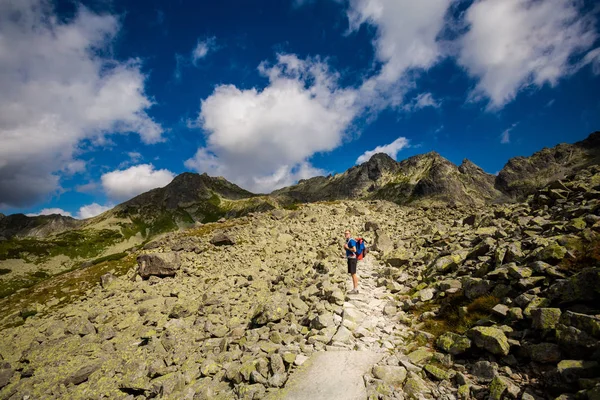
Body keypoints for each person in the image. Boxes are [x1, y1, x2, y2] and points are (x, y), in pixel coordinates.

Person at [343, 230, 359, 294]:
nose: (346, 235)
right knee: (353, 274)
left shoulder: (351, 241)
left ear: (350, 234)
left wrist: (347, 248)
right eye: (345, 234)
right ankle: (355, 288)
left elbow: (354, 249)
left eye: (347, 234)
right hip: (350, 258)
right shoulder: (348, 241)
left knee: (353, 274)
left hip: (352, 259)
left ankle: (355, 289)